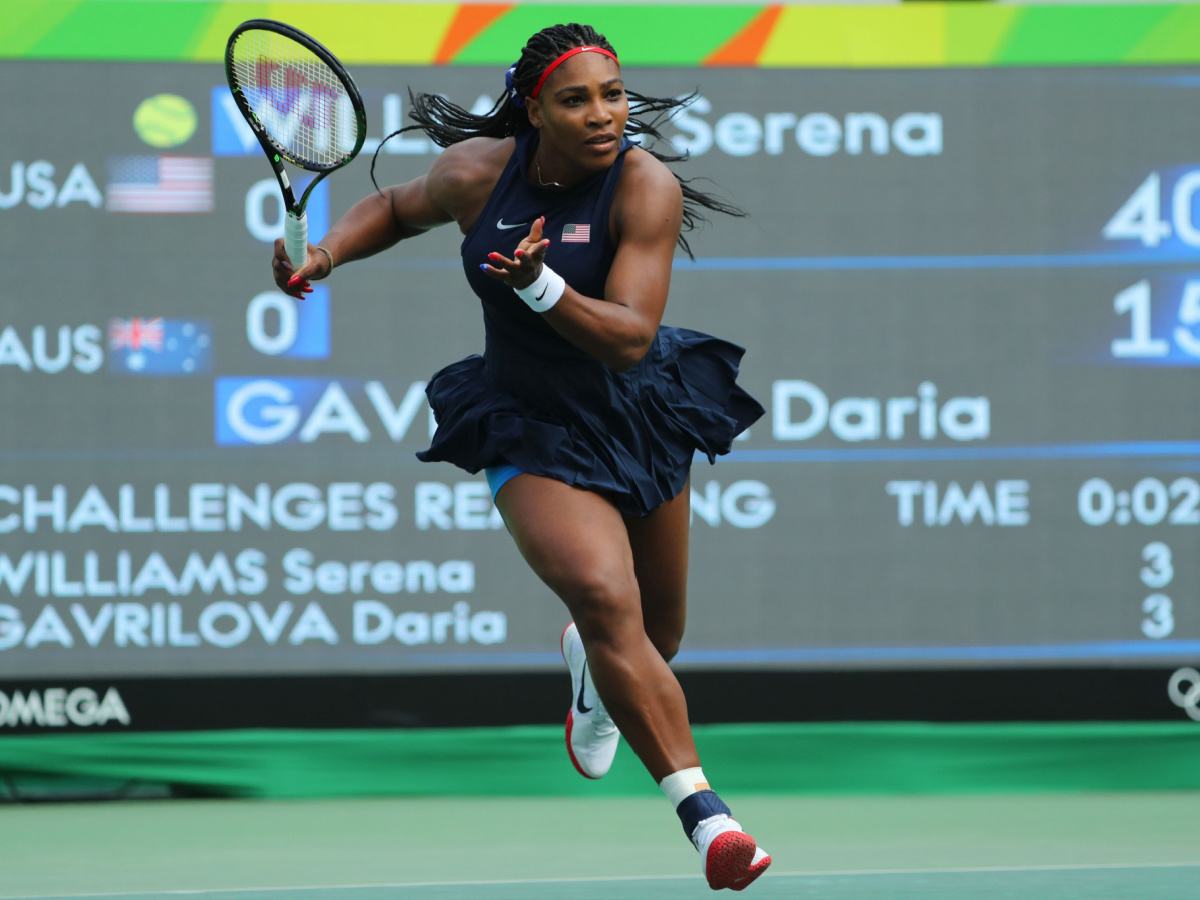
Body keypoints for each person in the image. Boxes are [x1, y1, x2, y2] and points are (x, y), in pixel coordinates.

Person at [272, 22, 770, 892]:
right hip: (525, 419)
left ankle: (590, 675)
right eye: (575, 100)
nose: (602, 115)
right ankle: (709, 821)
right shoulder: (477, 172)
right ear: (534, 109)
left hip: (635, 408)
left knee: (657, 636)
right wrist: (326, 253)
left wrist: (540, 286)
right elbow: (394, 208)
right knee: (604, 594)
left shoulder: (642, 187)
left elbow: (628, 339)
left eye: (612, 96)